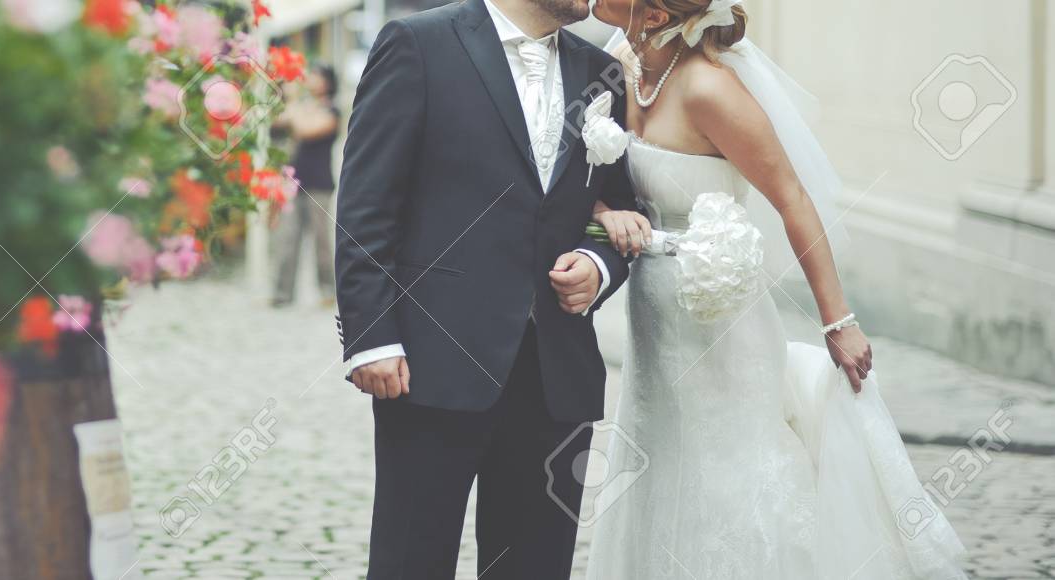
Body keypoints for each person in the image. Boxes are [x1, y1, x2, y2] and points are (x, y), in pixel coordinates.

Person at [580, 0, 969, 578]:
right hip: (654, 320)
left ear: (655, 15)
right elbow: (587, 180)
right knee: (657, 459)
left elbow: (793, 199)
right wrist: (604, 212)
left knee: (729, 463)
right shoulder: (622, 64)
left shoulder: (710, 90)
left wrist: (838, 321)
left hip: (721, 323)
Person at [332, 0, 637, 577]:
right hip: (432, 362)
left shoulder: (603, 72)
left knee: (535, 566)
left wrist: (598, 266)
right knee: (411, 562)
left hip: (555, 373)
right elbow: (366, 205)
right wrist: (371, 337)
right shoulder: (417, 43)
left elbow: (617, 207)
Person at [271, 64, 340, 308]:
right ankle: (282, 294)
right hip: (294, 183)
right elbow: (276, 122)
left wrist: (292, 101)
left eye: (318, 76)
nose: (312, 80)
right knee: (287, 239)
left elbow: (303, 129)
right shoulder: (303, 106)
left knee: (321, 241)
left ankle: (328, 292)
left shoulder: (332, 110)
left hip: (319, 184)